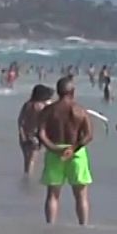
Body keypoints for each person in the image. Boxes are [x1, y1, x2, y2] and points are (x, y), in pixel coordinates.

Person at [38, 75, 94, 225]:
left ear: (58, 91)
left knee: (53, 195)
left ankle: (50, 225)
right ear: (73, 92)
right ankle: (83, 226)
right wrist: (73, 148)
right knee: (81, 196)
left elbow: (41, 133)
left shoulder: (49, 110)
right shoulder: (80, 110)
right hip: (76, 152)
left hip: (54, 151)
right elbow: (89, 135)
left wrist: (54, 149)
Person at [16, 84, 52, 175]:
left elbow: (20, 120)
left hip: (25, 134)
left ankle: (26, 176)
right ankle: (28, 180)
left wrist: (21, 133)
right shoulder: (42, 106)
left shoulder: (27, 104)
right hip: (36, 135)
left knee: (26, 159)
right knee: (32, 160)